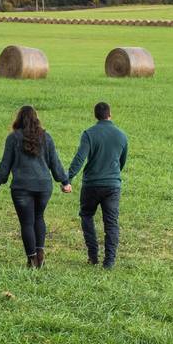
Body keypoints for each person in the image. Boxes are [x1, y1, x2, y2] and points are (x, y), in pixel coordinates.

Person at [0, 105, 72, 268]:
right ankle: (40, 253)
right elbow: (54, 162)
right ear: (36, 119)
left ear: (18, 119)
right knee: (39, 217)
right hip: (44, 186)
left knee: (27, 223)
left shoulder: (13, 138)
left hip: (22, 187)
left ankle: (32, 259)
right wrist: (64, 181)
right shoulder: (46, 137)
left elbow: (5, 165)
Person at [67, 101, 128, 269]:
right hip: (112, 185)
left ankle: (93, 255)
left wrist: (69, 177)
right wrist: (113, 175)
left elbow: (80, 158)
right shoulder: (121, 135)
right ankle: (109, 262)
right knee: (111, 223)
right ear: (110, 114)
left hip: (91, 185)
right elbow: (122, 161)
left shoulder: (89, 134)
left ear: (95, 115)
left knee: (86, 215)